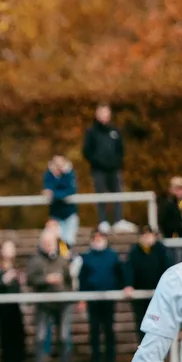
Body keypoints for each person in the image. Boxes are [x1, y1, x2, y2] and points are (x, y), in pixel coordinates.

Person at [28, 229, 73, 362]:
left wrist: (69, 294)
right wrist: (46, 279)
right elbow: (30, 279)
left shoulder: (62, 260)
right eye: (46, 243)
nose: (49, 246)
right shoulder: (35, 261)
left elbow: (69, 281)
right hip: (44, 303)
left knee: (64, 336)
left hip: (62, 302)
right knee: (40, 336)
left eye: (51, 243)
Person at [82, 103, 134, 232]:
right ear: (97, 114)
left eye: (106, 113)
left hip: (114, 169)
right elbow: (87, 151)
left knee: (118, 194)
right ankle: (103, 221)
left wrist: (116, 162)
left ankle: (118, 220)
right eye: (101, 113)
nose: (104, 115)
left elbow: (120, 149)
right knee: (100, 195)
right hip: (98, 170)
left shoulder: (115, 131)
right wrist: (97, 162)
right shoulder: (91, 132)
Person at [79, 229, 126, 362]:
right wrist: (82, 297)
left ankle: (110, 357)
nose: (98, 240)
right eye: (95, 238)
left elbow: (120, 273)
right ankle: (96, 357)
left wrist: (121, 288)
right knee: (94, 328)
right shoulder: (87, 257)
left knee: (108, 328)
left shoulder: (112, 256)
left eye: (100, 237)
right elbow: (82, 278)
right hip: (92, 298)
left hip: (108, 298)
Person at [125, 224, 173, 343]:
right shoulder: (134, 251)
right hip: (140, 296)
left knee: (159, 325)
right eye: (144, 234)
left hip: (158, 296)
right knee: (142, 325)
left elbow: (167, 269)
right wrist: (128, 285)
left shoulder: (161, 250)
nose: (147, 237)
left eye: (149, 234)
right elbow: (129, 269)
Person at [0, 241, 27, 362]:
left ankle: (20, 357)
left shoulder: (16, 266)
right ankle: (8, 359)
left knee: (18, 330)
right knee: (6, 331)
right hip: (3, 306)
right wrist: (5, 279)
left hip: (15, 304)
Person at [42, 155, 79, 247]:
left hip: (69, 215)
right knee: (53, 242)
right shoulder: (48, 175)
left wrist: (54, 194)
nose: (58, 167)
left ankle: (66, 255)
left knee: (68, 243)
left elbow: (71, 190)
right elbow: (48, 190)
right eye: (56, 164)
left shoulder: (69, 174)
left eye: (61, 165)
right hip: (55, 216)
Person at [158, 176, 182, 264]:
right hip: (172, 241)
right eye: (177, 188)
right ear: (171, 189)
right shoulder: (166, 205)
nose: (179, 191)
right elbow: (163, 222)